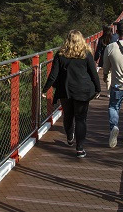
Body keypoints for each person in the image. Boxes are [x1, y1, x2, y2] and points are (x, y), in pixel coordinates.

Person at [42, 30, 101, 158]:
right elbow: (93, 74)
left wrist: (45, 89)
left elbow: (53, 75)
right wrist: (98, 89)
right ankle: (80, 149)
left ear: (67, 40)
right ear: (81, 40)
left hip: (65, 90)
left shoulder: (60, 54)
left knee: (68, 115)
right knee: (81, 119)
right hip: (83, 91)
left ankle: (69, 137)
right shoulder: (86, 54)